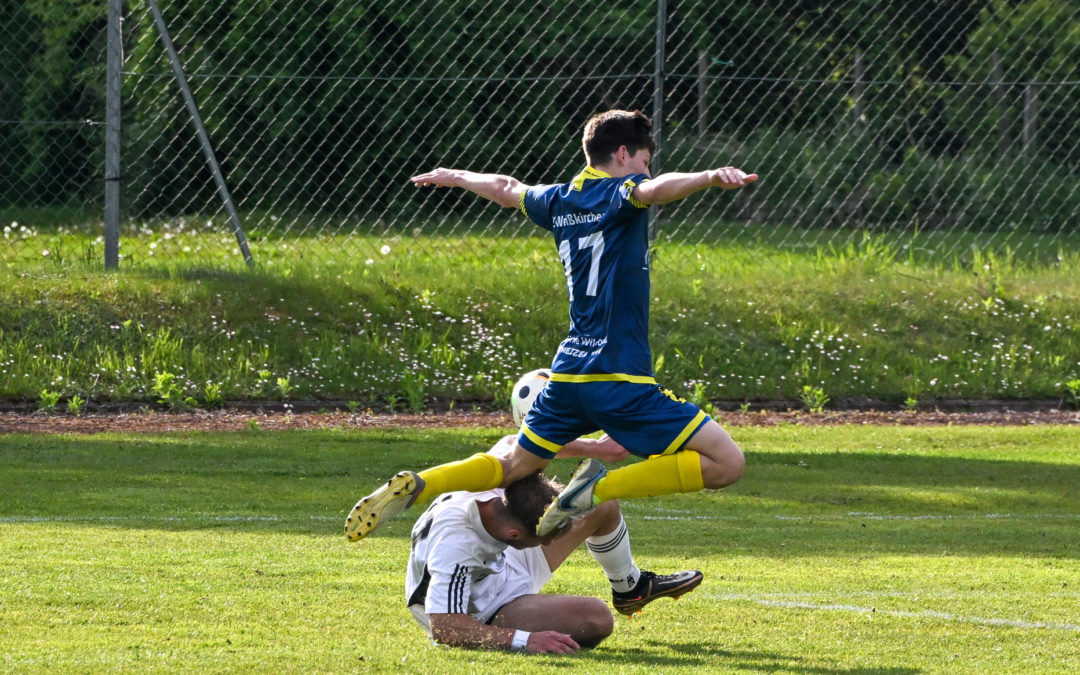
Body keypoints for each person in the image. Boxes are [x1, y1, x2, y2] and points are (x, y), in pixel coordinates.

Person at [346, 109, 757, 542]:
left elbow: (506, 188)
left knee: (512, 467)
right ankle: (594, 489)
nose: (645, 170)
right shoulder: (621, 192)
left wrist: (458, 176)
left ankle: (422, 482)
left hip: (566, 375)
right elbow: (656, 190)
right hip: (618, 375)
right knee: (726, 464)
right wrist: (709, 176)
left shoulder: (559, 199)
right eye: (643, 160)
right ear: (622, 154)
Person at [405, 435, 703, 654]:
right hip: (480, 609)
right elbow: (444, 627)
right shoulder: (458, 546)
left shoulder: (499, 480)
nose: (555, 541)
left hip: (502, 567)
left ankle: (631, 588)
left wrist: (595, 447)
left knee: (601, 503)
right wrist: (523, 639)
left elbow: (516, 441)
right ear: (514, 534)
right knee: (595, 619)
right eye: (547, 536)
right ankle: (512, 622)